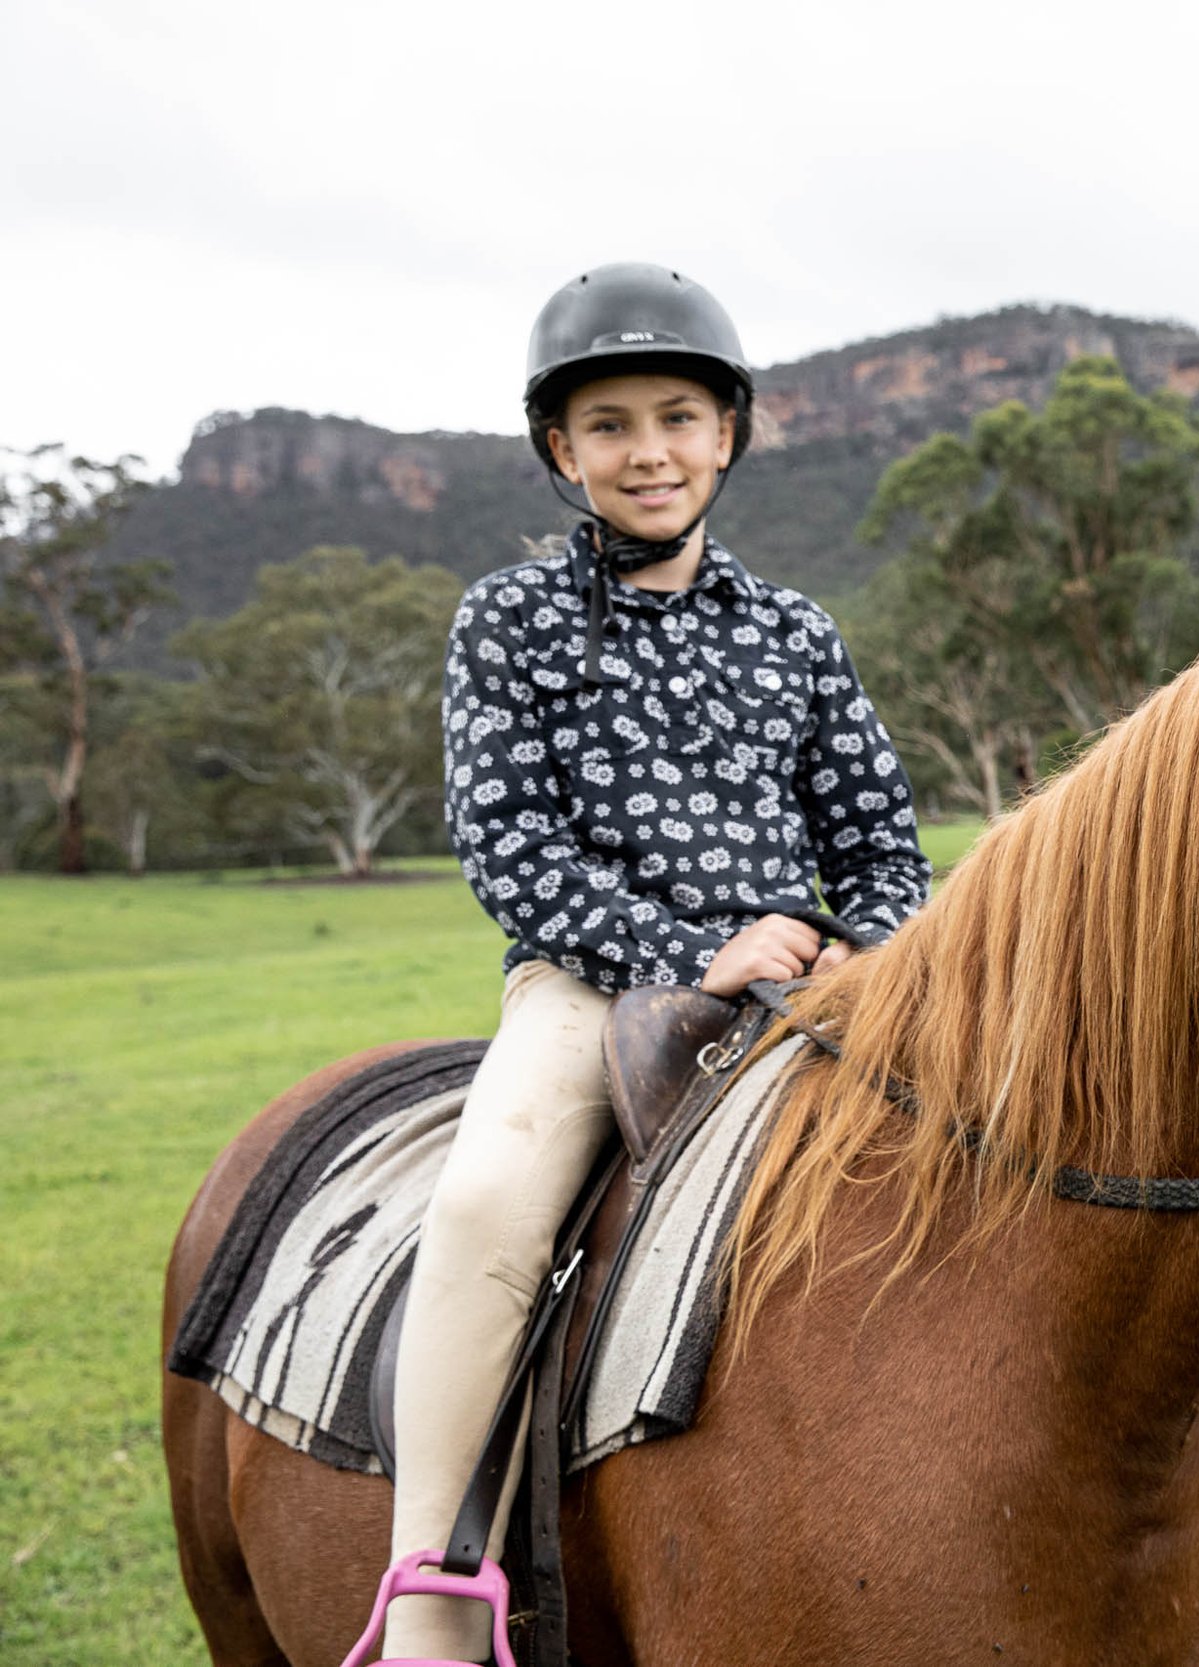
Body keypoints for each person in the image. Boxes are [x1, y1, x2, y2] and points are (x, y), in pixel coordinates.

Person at [365, 262, 932, 1663]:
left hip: (813, 989)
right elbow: (508, 844)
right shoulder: (509, 619)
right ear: (563, 452)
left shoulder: (796, 632)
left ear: (728, 433)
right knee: (493, 1202)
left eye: (678, 416)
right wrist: (694, 950)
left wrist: (862, 947)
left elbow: (875, 835)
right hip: (590, 989)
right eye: (608, 424)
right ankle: (433, 1590)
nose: (649, 450)